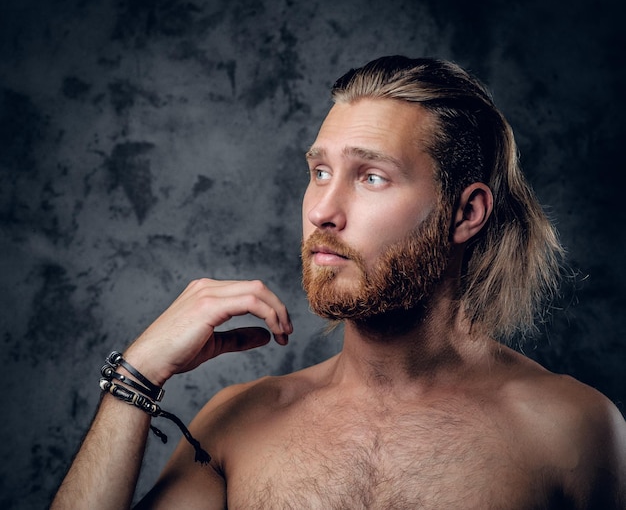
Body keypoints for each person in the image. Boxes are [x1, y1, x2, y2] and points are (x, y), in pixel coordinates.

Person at [51, 56, 626, 509]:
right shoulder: (239, 424)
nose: (322, 211)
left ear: (465, 213)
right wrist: (138, 373)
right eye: (319, 172)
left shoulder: (570, 431)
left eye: (371, 176)